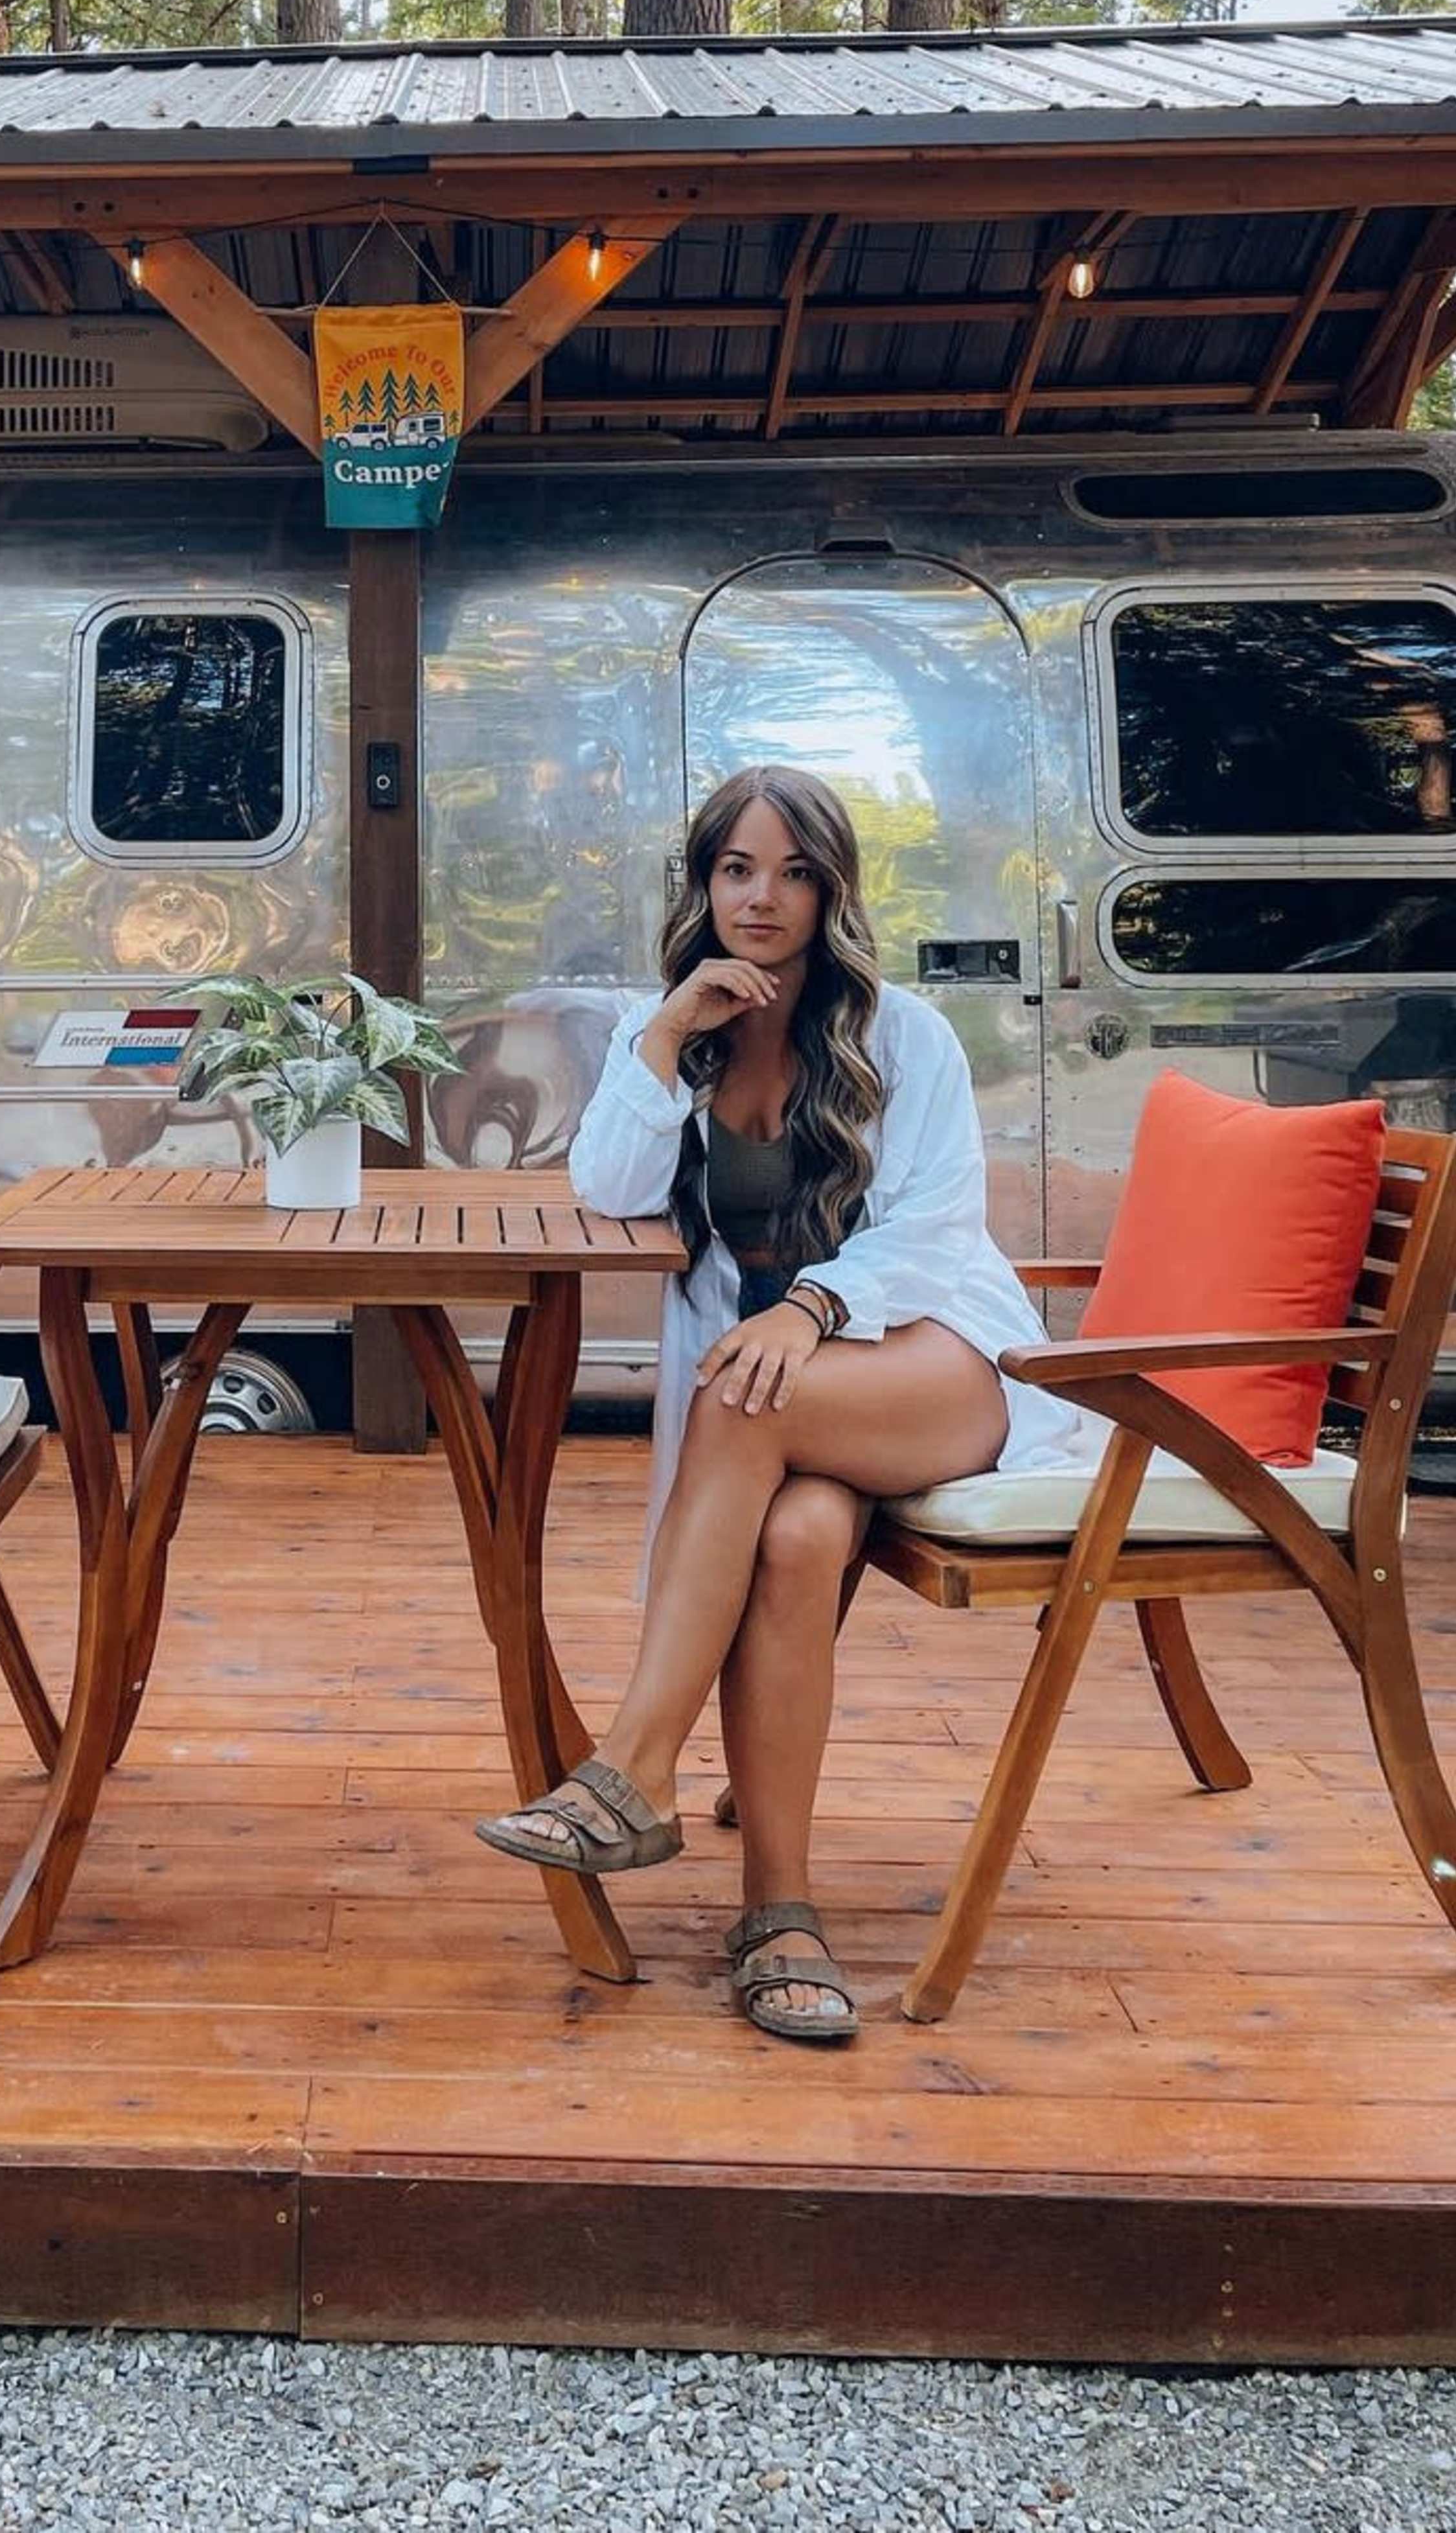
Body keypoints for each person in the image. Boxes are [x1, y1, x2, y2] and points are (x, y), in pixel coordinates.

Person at [473, 763, 1101, 2042]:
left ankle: (633, 1769)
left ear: (833, 889)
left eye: (796, 872)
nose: (765, 898)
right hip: (785, 1390)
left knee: (745, 1401)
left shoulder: (900, 1032)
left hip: (938, 1359)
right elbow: (609, 1191)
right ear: (704, 884)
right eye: (739, 869)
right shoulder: (691, 1027)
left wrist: (810, 1308)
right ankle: (779, 1916)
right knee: (803, 1538)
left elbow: (934, 1228)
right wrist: (658, 1042)